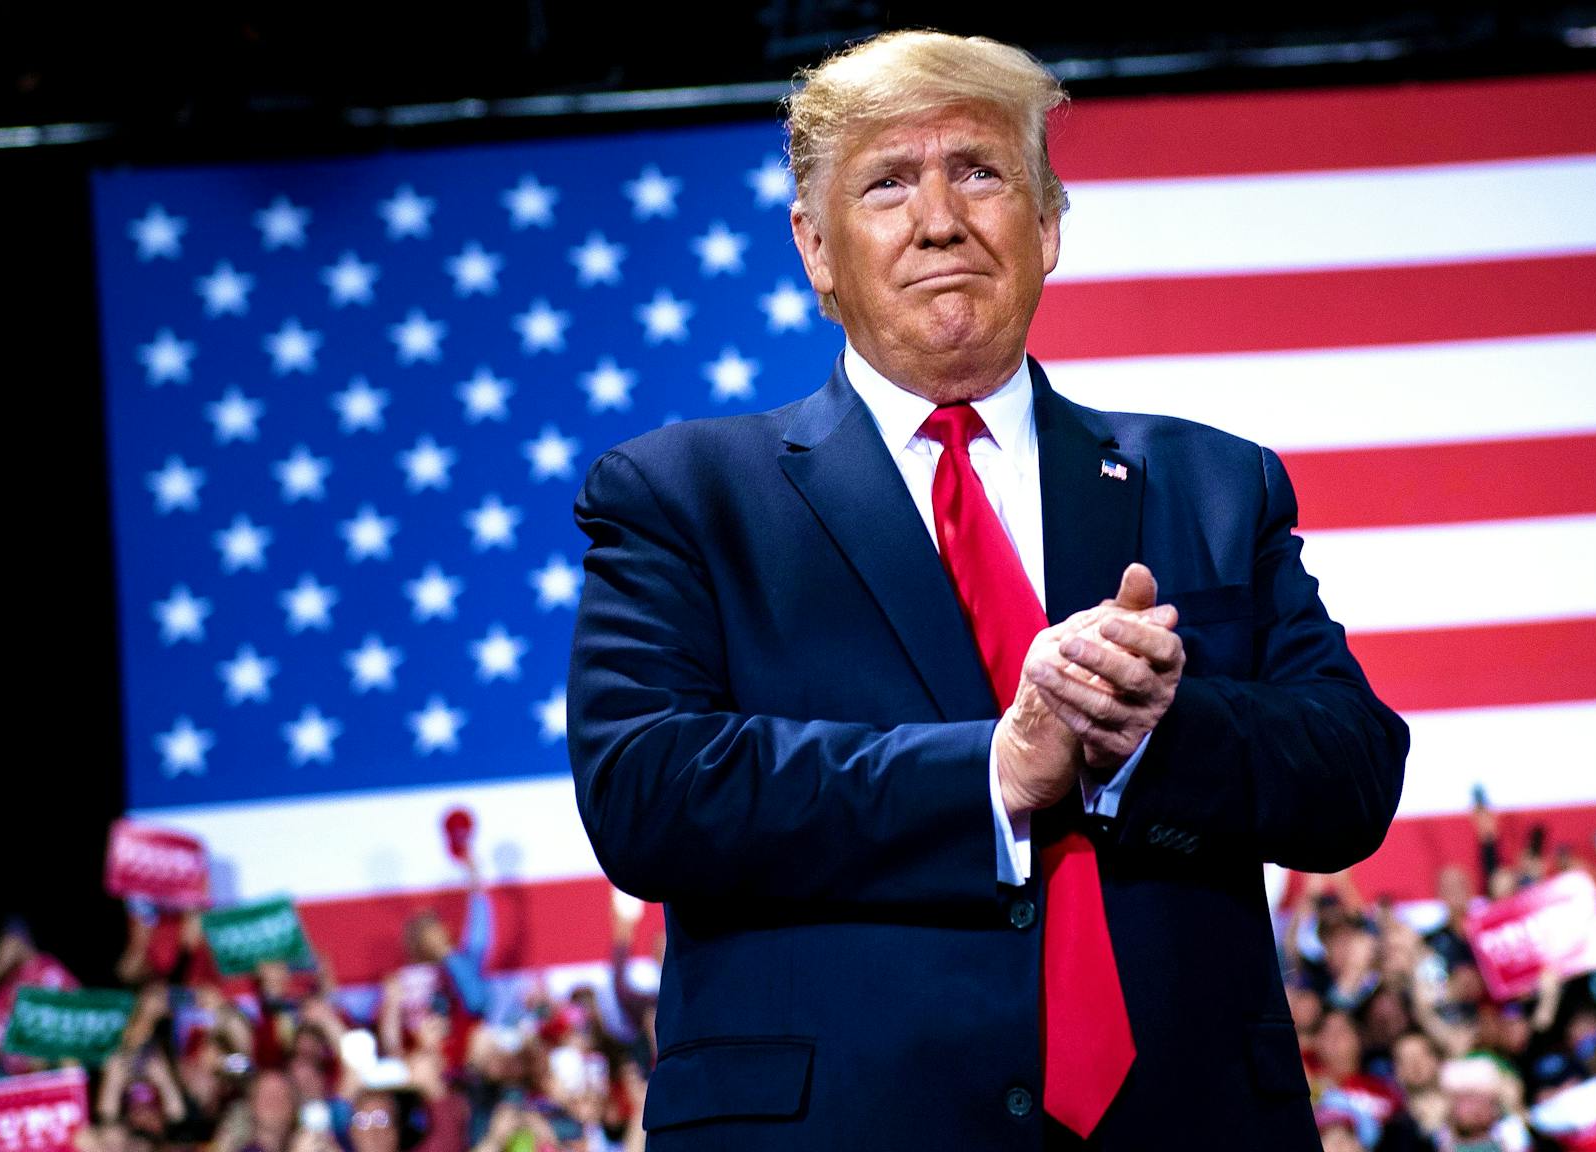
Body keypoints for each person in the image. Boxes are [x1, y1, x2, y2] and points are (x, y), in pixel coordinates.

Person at [564, 28, 1409, 1150]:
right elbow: (647, 792)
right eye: (886, 183)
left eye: (978, 171)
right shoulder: (683, 496)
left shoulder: (1212, 483)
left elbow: (1354, 771)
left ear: (1047, 224)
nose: (939, 220)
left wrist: (1149, 731)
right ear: (815, 249)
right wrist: (994, 773)